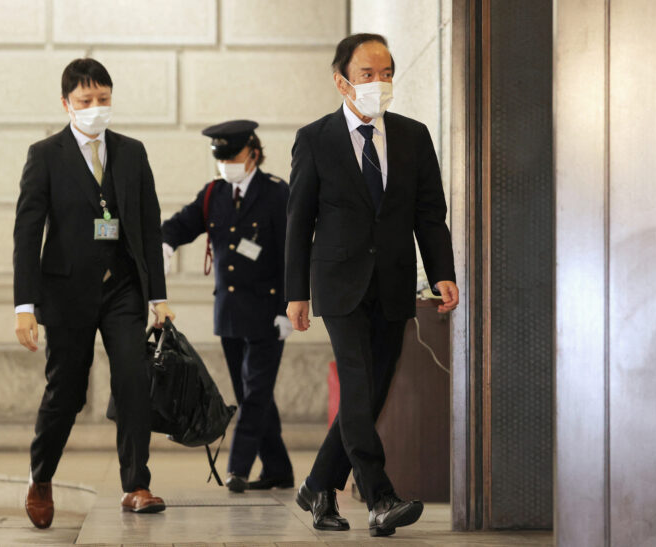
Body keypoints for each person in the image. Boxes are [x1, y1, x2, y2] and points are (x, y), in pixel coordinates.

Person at [285, 33, 459, 537]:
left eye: (387, 74)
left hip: (395, 280)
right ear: (343, 82)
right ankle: (379, 497)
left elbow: (430, 214)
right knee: (358, 385)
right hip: (338, 283)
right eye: (367, 75)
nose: (379, 83)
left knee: (373, 392)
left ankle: (319, 485)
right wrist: (297, 292)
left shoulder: (413, 135)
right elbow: (300, 220)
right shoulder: (315, 139)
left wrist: (441, 271)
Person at [13, 58, 175, 529]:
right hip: (65, 294)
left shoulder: (131, 152)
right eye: (86, 102)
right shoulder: (45, 155)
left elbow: (147, 225)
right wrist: (25, 306)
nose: (96, 109)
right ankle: (41, 477)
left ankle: (135, 484)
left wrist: (156, 296)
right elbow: (28, 234)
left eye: (104, 99)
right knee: (66, 392)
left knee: (132, 379)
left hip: (123, 287)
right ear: (66, 104)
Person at [161, 120, 294, 493]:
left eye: (232, 156)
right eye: (220, 157)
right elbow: (180, 224)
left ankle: (238, 467)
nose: (225, 164)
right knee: (253, 393)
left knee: (254, 393)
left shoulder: (275, 193)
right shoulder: (213, 194)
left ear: (253, 152)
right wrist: (166, 244)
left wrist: (288, 307)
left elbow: (290, 253)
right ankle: (280, 469)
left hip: (269, 314)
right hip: (231, 313)